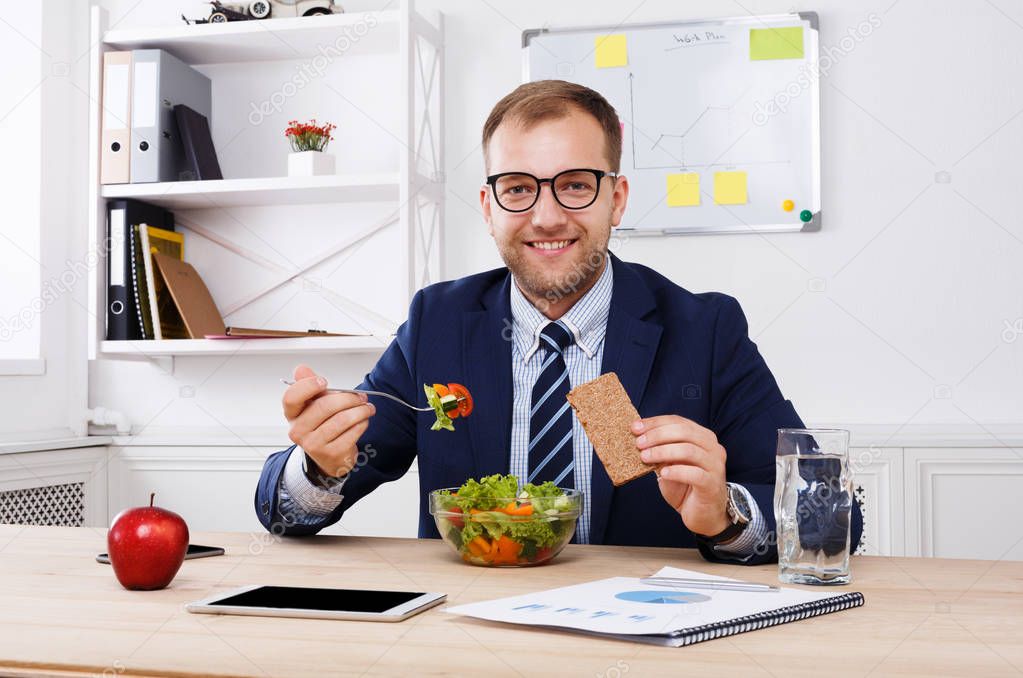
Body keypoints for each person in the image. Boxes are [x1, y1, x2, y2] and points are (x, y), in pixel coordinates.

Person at [255, 80, 862, 564]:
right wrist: (318, 465)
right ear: (490, 207)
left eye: (575, 185)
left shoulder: (705, 327)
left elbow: (835, 520)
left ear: (616, 199)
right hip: (469, 636)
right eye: (518, 188)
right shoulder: (437, 321)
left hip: (640, 640)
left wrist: (726, 513)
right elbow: (285, 514)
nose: (546, 216)